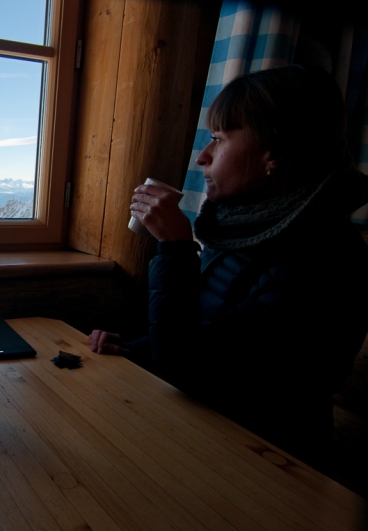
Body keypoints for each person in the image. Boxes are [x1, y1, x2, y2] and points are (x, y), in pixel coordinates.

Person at [89, 65, 368, 464]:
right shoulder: (249, 230)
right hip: (206, 430)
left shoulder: (326, 261)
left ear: (274, 152)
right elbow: (209, 336)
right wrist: (135, 350)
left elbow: (190, 366)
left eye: (218, 140)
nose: (202, 157)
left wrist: (175, 248)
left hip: (269, 460)